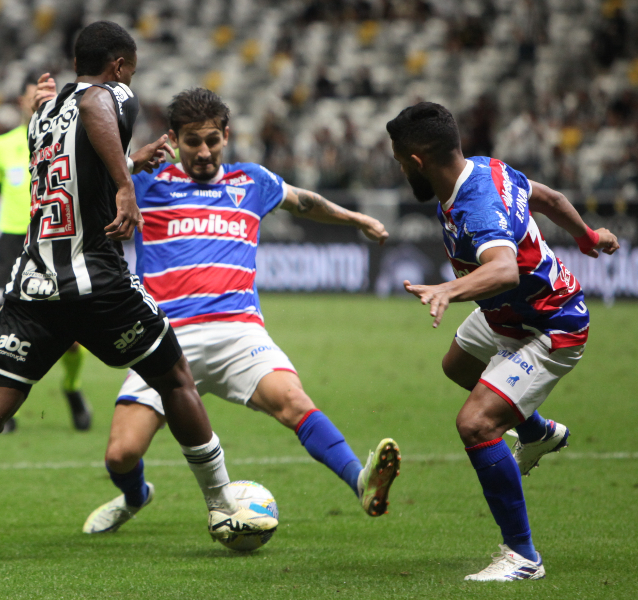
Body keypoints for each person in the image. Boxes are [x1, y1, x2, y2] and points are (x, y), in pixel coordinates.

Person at [0, 21, 276, 570]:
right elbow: (98, 110)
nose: (133, 75)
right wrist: (126, 184)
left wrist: (129, 162)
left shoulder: (42, 114)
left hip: (32, 284)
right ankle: (221, 505)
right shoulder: (110, 93)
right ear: (119, 65)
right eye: (134, 65)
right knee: (175, 380)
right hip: (96, 283)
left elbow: (78, 160)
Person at [81, 88, 401, 536]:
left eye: (212, 140)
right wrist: (131, 161)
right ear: (174, 139)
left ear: (226, 136)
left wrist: (358, 219)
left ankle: (360, 482)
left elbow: (305, 201)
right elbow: (87, 182)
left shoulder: (252, 182)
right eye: (192, 141)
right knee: (120, 454)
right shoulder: (147, 188)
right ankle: (136, 495)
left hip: (238, 333)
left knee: (294, 402)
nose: (204, 151)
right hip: (165, 338)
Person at [386, 102, 619, 582]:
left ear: (416, 162)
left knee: (475, 424)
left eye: (398, 159)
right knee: (457, 364)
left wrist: (449, 289)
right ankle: (536, 432)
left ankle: (522, 557)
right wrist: (587, 236)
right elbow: (548, 197)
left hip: (549, 326)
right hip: (507, 315)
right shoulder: (488, 168)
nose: (398, 167)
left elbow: (504, 268)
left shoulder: (476, 205)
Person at [0, 74, 92, 432]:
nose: (36, 101)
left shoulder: (69, 139)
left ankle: (71, 387)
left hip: (55, 241)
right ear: (23, 102)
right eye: (31, 96)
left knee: (70, 338)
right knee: (10, 334)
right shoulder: (3, 146)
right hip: (11, 245)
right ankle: (8, 412)